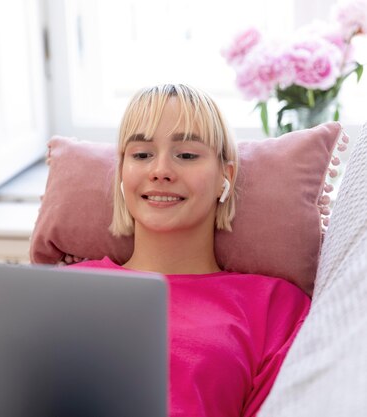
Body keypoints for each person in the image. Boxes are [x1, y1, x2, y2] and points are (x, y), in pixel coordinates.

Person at [67, 84, 310, 417]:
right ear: (122, 174)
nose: (161, 171)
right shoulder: (61, 289)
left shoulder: (275, 307)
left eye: (186, 155)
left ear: (226, 176)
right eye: (141, 154)